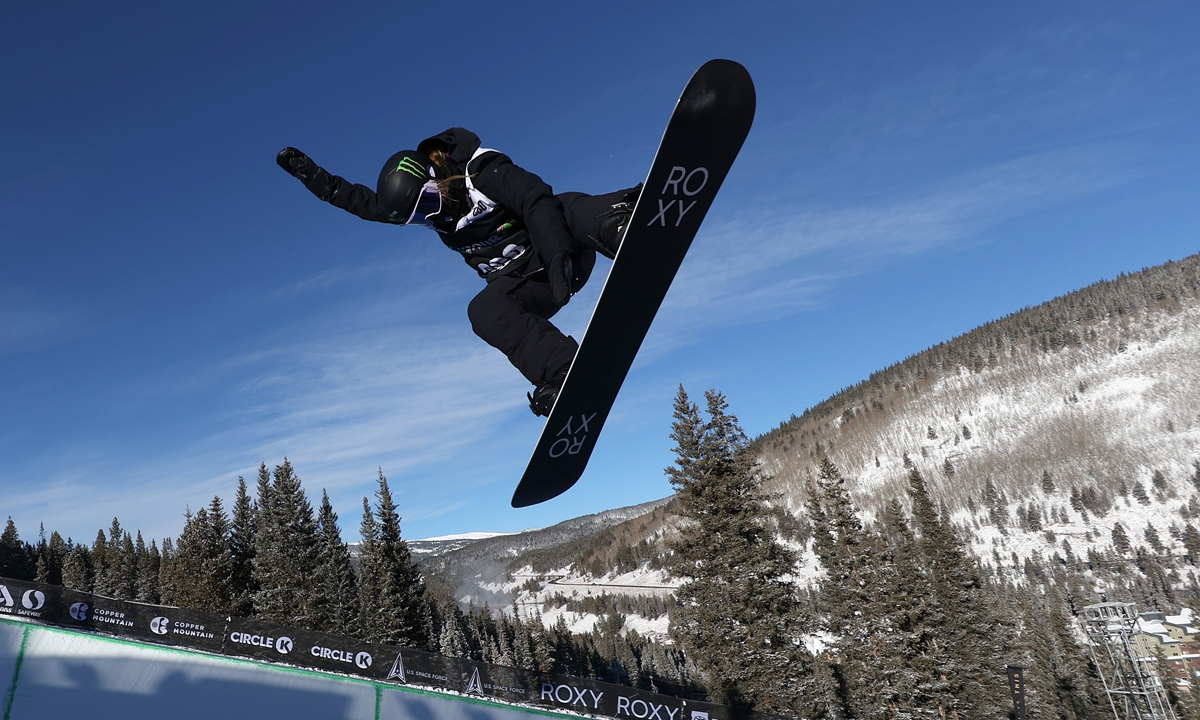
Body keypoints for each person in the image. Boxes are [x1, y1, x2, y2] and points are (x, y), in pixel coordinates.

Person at [276, 128, 638, 416]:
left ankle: (620, 222)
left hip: (566, 249)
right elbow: (360, 201)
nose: (429, 217)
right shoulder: (435, 215)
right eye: (418, 216)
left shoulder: (480, 173)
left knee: (565, 206)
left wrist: (558, 255)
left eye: (427, 204)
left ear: (435, 180)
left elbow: (534, 199)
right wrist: (317, 180)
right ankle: (562, 370)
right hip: (534, 284)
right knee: (483, 310)